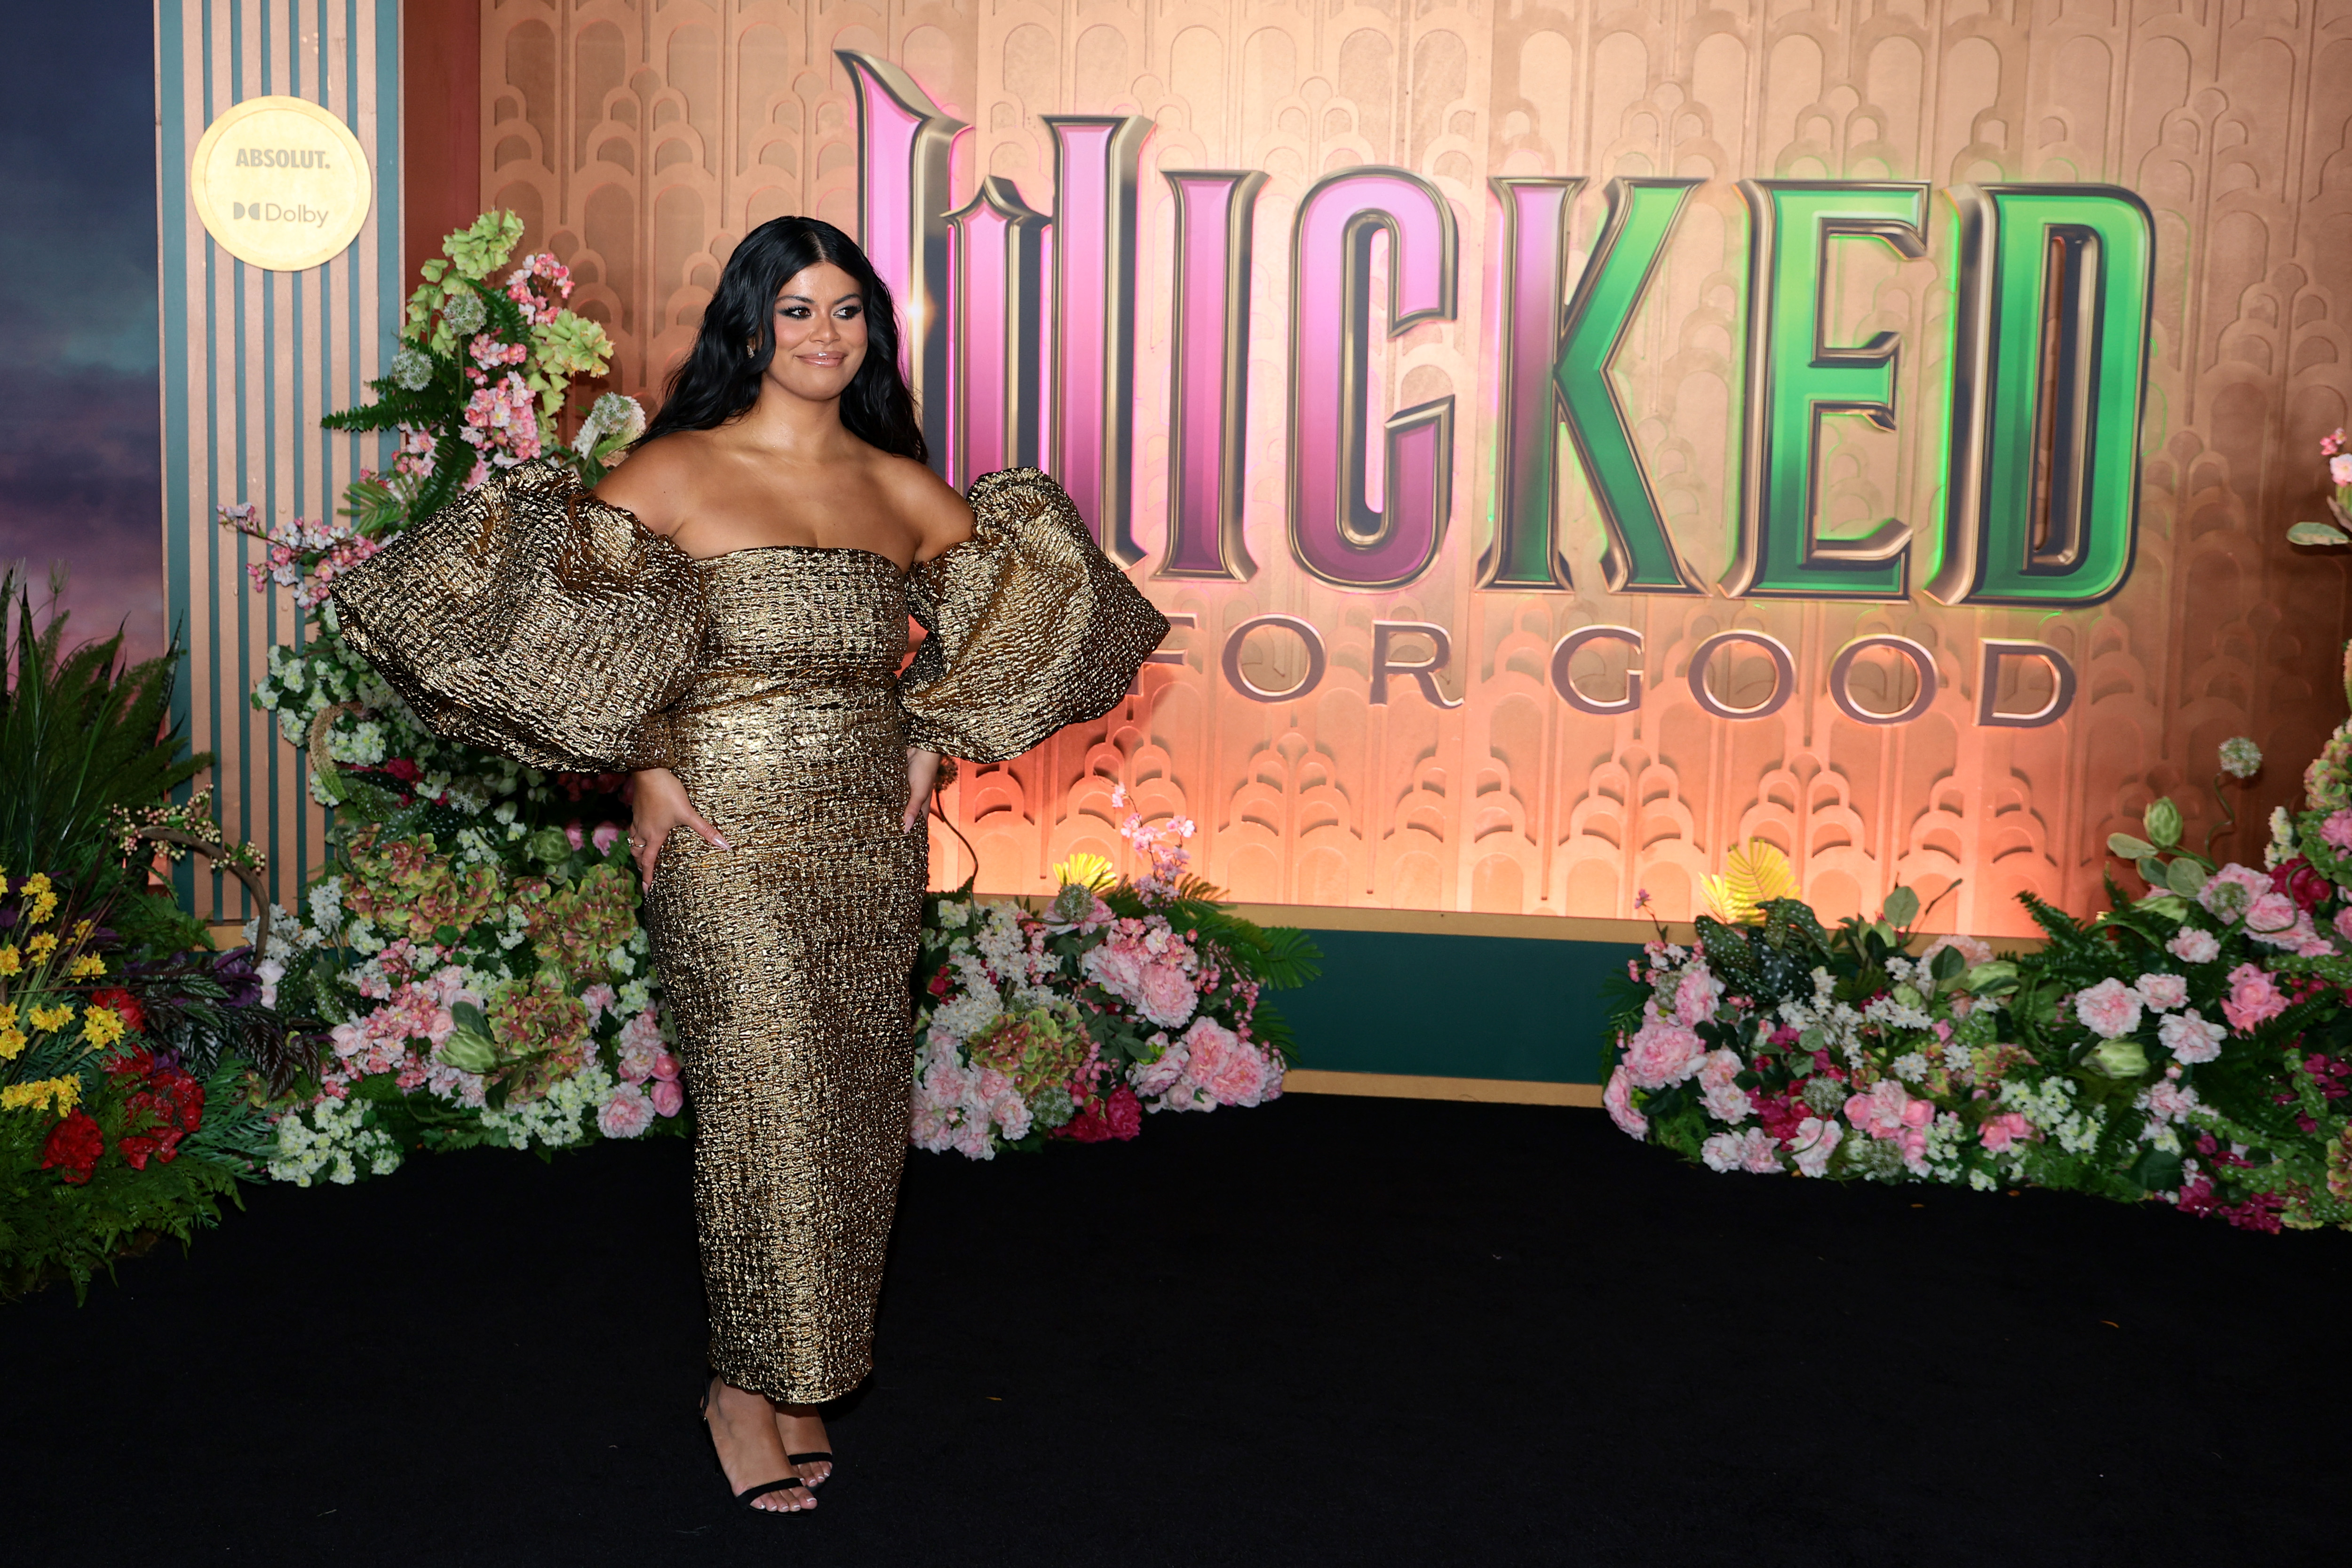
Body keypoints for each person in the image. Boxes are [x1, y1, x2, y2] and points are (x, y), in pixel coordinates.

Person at [330, 216, 1167, 1514]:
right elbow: (529, 618)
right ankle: (741, 1385)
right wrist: (644, 764)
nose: (825, 336)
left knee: (852, 1111)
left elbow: (1056, 608)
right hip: (722, 837)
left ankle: (805, 1373)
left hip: (861, 846)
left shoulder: (897, 488)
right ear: (749, 328)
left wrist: (936, 736)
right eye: (796, 312)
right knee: (761, 1101)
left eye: (847, 311)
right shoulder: (675, 470)